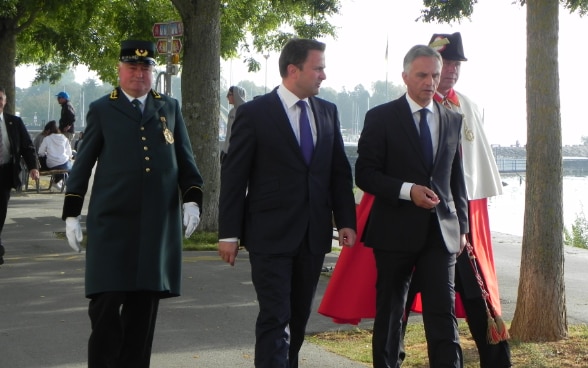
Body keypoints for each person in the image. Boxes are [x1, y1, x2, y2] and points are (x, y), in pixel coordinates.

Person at [61, 40, 204, 367]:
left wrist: (192, 200)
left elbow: (186, 160)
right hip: (112, 224)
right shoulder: (102, 108)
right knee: (106, 305)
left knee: (143, 312)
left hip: (155, 225)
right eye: (132, 67)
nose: (139, 74)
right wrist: (71, 213)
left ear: (153, 71)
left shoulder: (169, 107)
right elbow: (82, 165)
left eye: (145, 68)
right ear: (120, 70)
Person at [218, 38, 357, 368]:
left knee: (297, 319)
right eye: (318, 67)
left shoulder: (328, 112)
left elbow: (339, 171)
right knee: (275, 318)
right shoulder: (254, 113)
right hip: (270, 236)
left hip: (312, 236)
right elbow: (235, 177)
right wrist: (229, 233)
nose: (324, 75)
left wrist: (346, 220)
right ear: (293, 70)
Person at [354, 45, 469, 368]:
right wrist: (407, 191)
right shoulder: (381, 118)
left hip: (441, 233)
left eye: (434, 75)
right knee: (391, 314)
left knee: (442, 316)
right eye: (422, 75)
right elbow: (365, 174)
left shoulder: (452, 118)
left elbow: (456, 178)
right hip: (394, 231)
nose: (430, 81)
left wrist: (463, 227)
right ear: (405, 77)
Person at [415, 31, 510, 367]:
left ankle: (497, 361)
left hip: (462, 217)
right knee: (401, 303)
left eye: (456, 64)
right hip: (416, 220)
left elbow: (473, 169)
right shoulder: (411, 109)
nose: (452, 70)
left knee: (476, 293)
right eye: (446, 63)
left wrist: (468, 221)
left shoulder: (467, 106)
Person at [0, 87, 40, 266]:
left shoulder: (14, 122)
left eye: (0, 98)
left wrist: (33, 167)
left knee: (0, 210)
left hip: (5, 172)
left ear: (5, 100)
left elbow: (27, 146)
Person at [37, 120, 73, 191]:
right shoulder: (64, 138)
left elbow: (40, 152)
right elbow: (69, 153)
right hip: (64, 162)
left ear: (49, 130)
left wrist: (46, 154)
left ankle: (57, 181)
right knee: (69, 167)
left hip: (51, 164)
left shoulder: (47, 139)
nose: (46, 133)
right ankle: (59, 182)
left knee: (59, 167)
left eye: (46, 131)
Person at [220, 85, 247, 162]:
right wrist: (224, 150)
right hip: (230, 152)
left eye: (229, 94)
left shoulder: (246, 111)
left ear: (236, 95)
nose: (227, 97)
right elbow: (229, 133)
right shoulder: (231, 112)